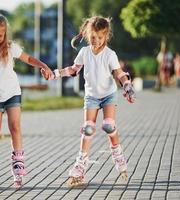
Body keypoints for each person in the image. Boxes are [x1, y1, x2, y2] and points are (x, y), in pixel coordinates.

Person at [42, 16, 136, 187]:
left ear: (106, 37)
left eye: (100, 37)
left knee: (108, 125)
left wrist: (127, 86)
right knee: (88, 128)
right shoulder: (84, 52)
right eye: (93, 37)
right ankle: (80, 166)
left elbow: (119, 73)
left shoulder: (110, 55)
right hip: (91, 96)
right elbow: (73, 70)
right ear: (87, 34)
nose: (96, 41)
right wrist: (55, 74)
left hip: (108, 95)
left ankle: (118, 155)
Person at [0, 13, 52, 190]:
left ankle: (18, 169)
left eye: (0, 35)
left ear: (5, 33)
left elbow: (28, 58)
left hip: (13, 93)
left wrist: (43, 66)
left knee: (15, 127)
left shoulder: (9, 47)